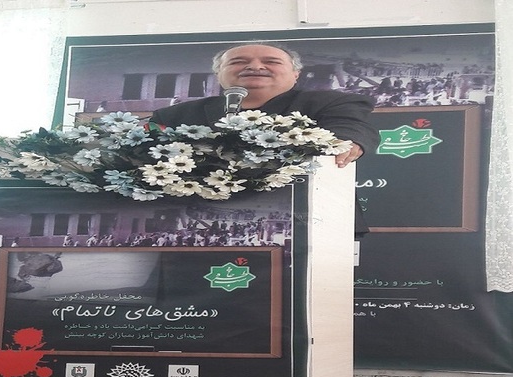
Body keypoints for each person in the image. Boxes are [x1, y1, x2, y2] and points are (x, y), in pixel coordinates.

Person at [151, 42, 379, 234]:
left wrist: (346, 141)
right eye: (239, 61)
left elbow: (350, 126)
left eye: (271, 61)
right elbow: (147, 152)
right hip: (197, 226)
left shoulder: (331, 102)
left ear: (296, 74)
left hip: (310, 223)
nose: (255, 66)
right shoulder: (174, 116)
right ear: (218, 74)